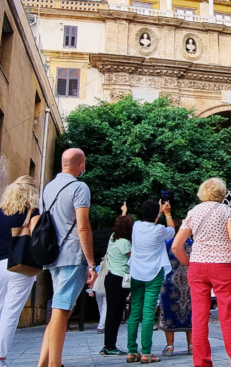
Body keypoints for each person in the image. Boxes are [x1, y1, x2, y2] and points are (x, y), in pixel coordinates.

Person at [173, 178, 231, 367]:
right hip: (224, 266)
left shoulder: (193, 212)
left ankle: (202, 363)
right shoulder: (227, 211)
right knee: (227, 316)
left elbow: (176, 246)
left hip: (198, 267)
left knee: (199, 317)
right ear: (222, 192)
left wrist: (189, 263)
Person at [35, 148, 97, 367]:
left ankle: (43, 364)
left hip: (52, 254)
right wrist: (91, 263)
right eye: (84, 163)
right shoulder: (79, 187)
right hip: (72, 254)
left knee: (60, 310)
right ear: (80, 165)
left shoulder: (48, 188)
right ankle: (54, 364)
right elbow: (83, 227)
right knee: (61, 310)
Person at [0, 176, 40, 367]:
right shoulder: (32, 212)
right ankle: (0, 361)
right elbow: (37, 241)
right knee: (11, 313)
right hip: (19, 265)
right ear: (31, 193)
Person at [126, 199, 176, 363]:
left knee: (134, 312)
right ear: (157, 214)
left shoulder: (136, 227)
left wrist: (157, 212)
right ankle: (146, 353)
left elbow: (149, 221)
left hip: (136, 272)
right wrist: (167, 213)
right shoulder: (159, 230)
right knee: (148, 313)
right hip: (154, 273)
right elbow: (172, 231)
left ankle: (132, 351)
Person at [100, 208, 133, 356]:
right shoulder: (125, 243)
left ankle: (108, 344)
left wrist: (123, 212)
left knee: (112, 312)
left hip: (111, 277)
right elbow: (134, 259)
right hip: (120, 280)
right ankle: (110, 346)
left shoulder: (113, 237)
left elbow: (121, 224)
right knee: (115, 314)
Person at [160, 218, 193, 357]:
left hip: (170, 283)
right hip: (189, 282)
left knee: (169, 312)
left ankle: (170, 346)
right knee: (190, 313)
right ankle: (191, 345)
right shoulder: (191, 243)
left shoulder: (167, 243)